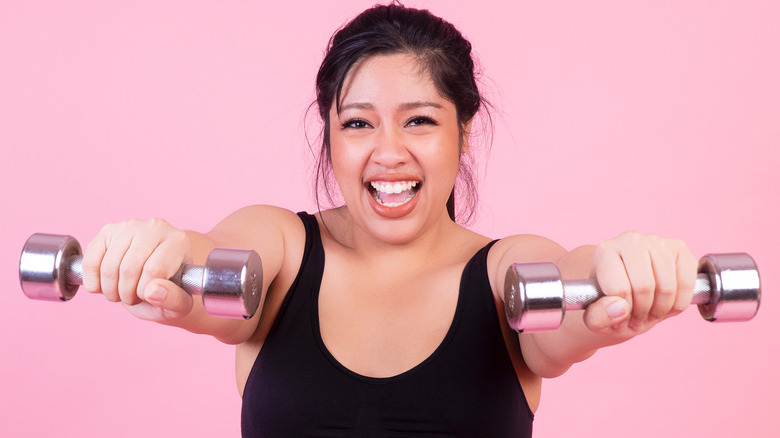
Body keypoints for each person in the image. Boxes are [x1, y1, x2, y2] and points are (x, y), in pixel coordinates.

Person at [80, 3, 697, 436]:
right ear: (328, 137)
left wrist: (620, 269)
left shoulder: (508, 273)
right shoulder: (281, 248)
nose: (388, 151)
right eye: (357, 123)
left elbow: (570, 280)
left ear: (463, 133)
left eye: (420, 120)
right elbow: (206, 264)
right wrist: (156, 254)